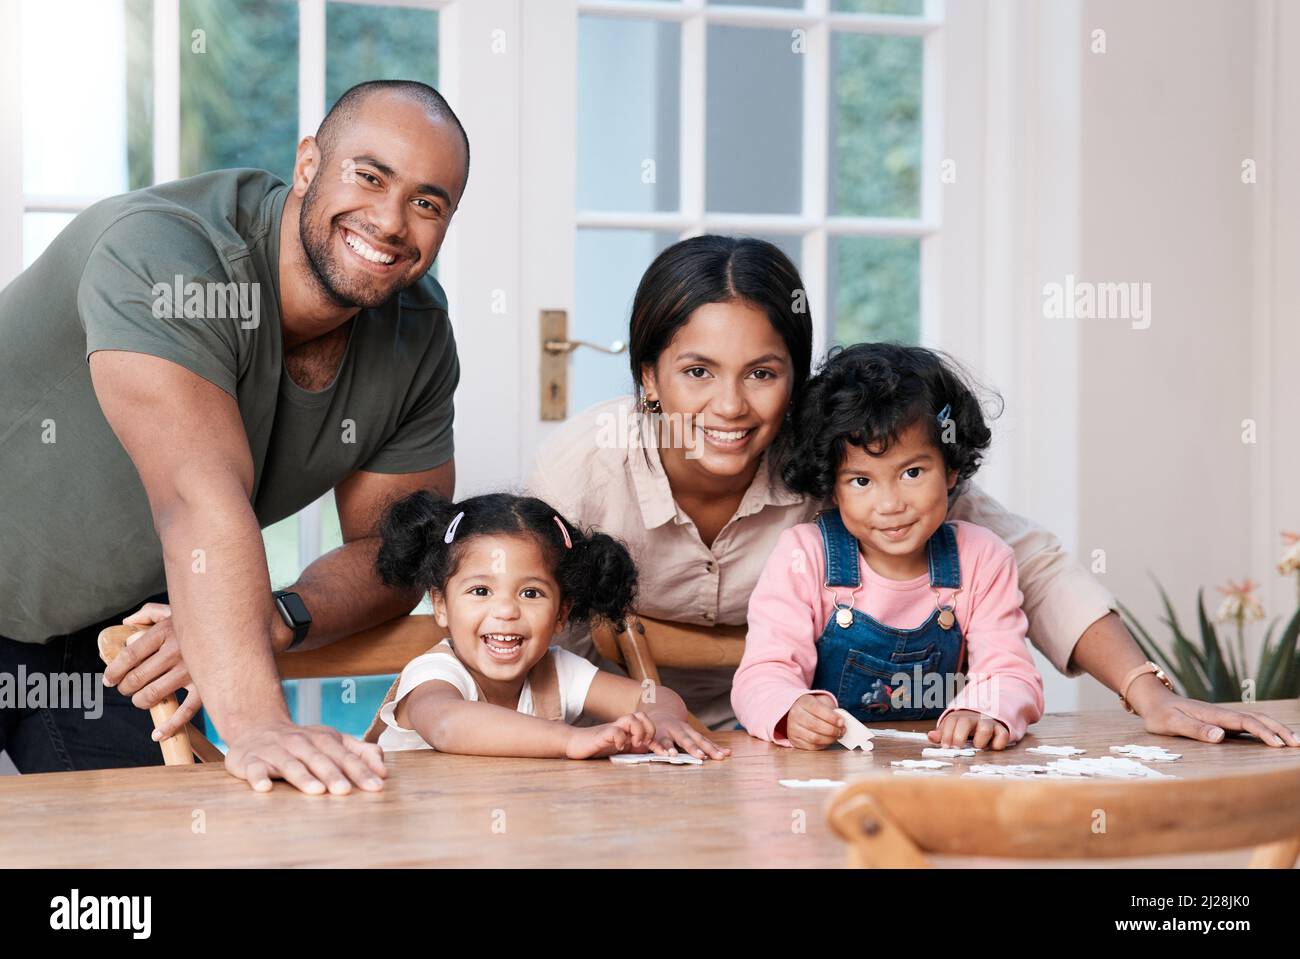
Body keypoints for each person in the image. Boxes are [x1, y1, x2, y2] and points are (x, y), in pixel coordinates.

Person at [527, 234, 1300, 748]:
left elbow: (1028, 561)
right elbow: (506, 616)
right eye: (697, 372)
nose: (729, 407)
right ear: (648, 378)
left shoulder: (841, 454)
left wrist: (1146, 689)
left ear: (794, 379)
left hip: (806, 748)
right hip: (620, 737)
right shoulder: (588, 466)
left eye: (762, 373)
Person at [0, 80, 470, 792]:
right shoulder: (168, 256)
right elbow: (196, 497)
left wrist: (275, 614)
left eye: (427, 202)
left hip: (110, 634)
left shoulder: (418, 336)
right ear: (308, 163)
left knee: (144, 858)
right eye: (369, 176)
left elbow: (402, 550)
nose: (390, 220)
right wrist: (258, 724)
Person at [733, 343, 1043, 750]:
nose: (891, 504)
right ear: (833, 487)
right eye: (861, 481)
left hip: (930, 774)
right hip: (811, 773)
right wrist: (790, 709)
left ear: (951, 470)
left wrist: (985, 709)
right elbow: (762, 672)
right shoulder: (803, 556)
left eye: (912, 472)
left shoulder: (982, 558)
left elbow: (1009, 671)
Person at [369, 491, 730, 760]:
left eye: (530, 593)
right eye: (481, 591)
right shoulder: (435, 673)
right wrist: (570, 740)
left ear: (561, 613)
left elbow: (649, 695)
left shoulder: (559, 671)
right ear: (441, 604)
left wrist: (662, 719)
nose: (507, 611)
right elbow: (448, 724)